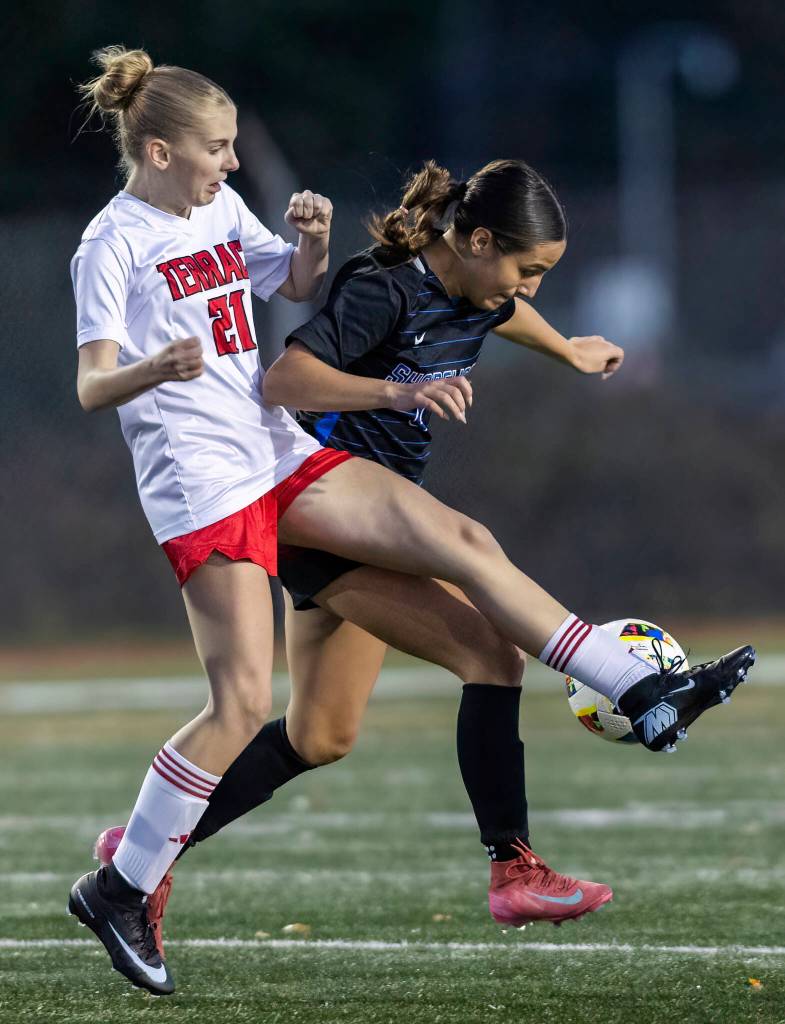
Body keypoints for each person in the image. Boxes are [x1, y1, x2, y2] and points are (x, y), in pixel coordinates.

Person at [68, 46, 754, 998]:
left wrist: (304, 247)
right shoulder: (113, 245)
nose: (231, 163)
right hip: (203, 482)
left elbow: (294, 289)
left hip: (276, 455)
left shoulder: (217, 209)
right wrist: (162, 368)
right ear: (157, 148)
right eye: (217, 148)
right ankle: (126, 877)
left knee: (363, 684)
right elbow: (96, 382)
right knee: (239, 707)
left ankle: (630, 695)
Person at [95, 157, 632, 951]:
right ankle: (522, 857)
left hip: (369, 519)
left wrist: (566, 349)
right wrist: (396, 393)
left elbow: (500, 313)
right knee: (488, 637)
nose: (531, 289)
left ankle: (139, 849)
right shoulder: (382, 285)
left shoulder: (477, 292)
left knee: (322, 734)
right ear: (477, 239)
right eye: (527, 269)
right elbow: (286, 378)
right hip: (321, 510)